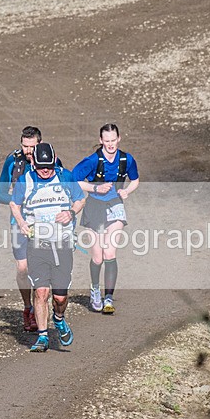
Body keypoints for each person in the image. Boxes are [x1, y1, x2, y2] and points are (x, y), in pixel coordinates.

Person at [9, 142, 85, 352]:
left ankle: (59, 318)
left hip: (62, 245)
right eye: (42, 166)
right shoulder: (26, 180)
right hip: (38, 245)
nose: (45, 170)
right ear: (34, 163)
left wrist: (70, 212)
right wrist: (22, 223)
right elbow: (14, 204)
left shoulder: (65, 177)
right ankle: (43, 336)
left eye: (49, 166)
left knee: (59, 297)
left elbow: (80, 199)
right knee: (41, 292)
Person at [72, 123, 140, 315]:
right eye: (106, 141)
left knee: (110, 254)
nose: (110, 144)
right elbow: (74, 179)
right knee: (98, 256)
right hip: (94, 207)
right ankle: (95, 289)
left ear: (119, 139)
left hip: (115, 207)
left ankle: (108, 297)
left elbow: (135, 180)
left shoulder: (127, 159)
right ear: (101, 140)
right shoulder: (92, 161)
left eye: (113, 140)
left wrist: (126, 190)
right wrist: (95, 188)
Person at [0, 126, 48, 332]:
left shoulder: (49, 159)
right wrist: (19, 200)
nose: (28, 151)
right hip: (18, 223)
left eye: (32, 146)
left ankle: (38, 309)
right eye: (24, 146)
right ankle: (28, 307)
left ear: (39, 144)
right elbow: (0, 194)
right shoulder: (13, 161)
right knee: (23, 268)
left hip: (44, 224)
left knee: (40, 269)